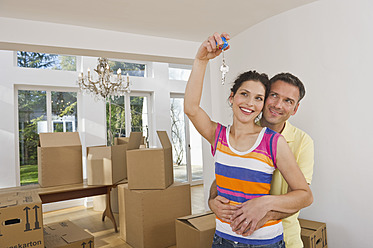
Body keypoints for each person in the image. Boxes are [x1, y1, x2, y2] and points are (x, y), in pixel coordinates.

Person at [184, 32, 313, 248]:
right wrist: (201, 60)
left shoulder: (273, 142)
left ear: (262, 105)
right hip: (223, 239)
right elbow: (191, 108)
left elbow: (304, 195)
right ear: (231, 97)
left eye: (258, 98)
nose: (249, 103)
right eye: (244, 94)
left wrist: (264, 203)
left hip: (264, 241)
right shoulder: (219, 136)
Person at [208, 72, 315, 248]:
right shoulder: (241, 133)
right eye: (274, 96)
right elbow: (227, 175)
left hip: (283, 238)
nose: (278, 105)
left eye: (288, 101)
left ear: (295, 109)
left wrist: (263, 206)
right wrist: (212, 200)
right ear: (263, 97)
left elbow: (302, 197)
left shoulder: (303, 142)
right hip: (233, 235)